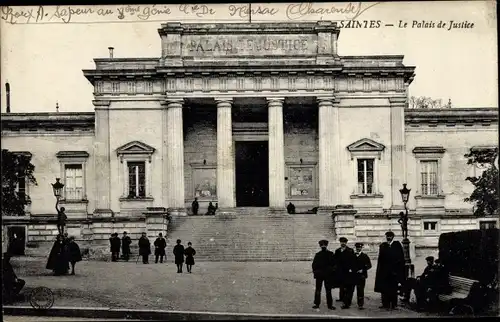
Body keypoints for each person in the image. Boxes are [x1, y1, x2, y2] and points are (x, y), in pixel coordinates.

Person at [374, 231, 406, 310]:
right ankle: (385, 304)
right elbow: (380, 260)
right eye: (387, 236)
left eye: (390, 236)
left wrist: (398, 270)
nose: (388, 237)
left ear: (393, 237)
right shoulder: (383, 246)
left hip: (394, 272)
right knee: (384, 289)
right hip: (385, 271)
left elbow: (401, 258)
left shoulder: (397, 245)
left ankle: (394, 304)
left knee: (393, 289)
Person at [312, 239, 336, 310]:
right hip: (323, 275)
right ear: (320, 246)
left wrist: (330, 271)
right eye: (322, 245)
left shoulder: (329, 254)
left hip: (326, 275)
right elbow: (314, 265)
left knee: (325, 290)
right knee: (320, 290)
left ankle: (326, 304)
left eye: (324, 245)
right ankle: (321, 304)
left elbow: (334, 265)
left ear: (326, 245)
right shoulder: (327, 254)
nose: (323, 246)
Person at [334, 237, 356, 309]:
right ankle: (341, 298)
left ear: (346, 243)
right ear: (340, 243)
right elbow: (335, 261)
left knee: (347, 286)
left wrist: (351, 269)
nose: (343, 243)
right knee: (341, 285)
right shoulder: (337, 251)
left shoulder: (350, 250)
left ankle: (346, 301)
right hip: (340, 271)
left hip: (347, 271)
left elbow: (353, 261)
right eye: (341, 242)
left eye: (344, 242)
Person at [348, 242, 372, 310]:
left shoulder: (365, 256)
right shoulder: (352, 255)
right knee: (350, 290)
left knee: (360, 291)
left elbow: (369, 265)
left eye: (359, 247)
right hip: (353, 275)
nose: (358, 249)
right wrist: (349, 269)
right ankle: (347, 303)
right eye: (357, 247)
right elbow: (348, 264)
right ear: (355, 248)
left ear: (361, 248)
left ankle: (360, 305)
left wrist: (363, 270)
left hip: (361, 276)